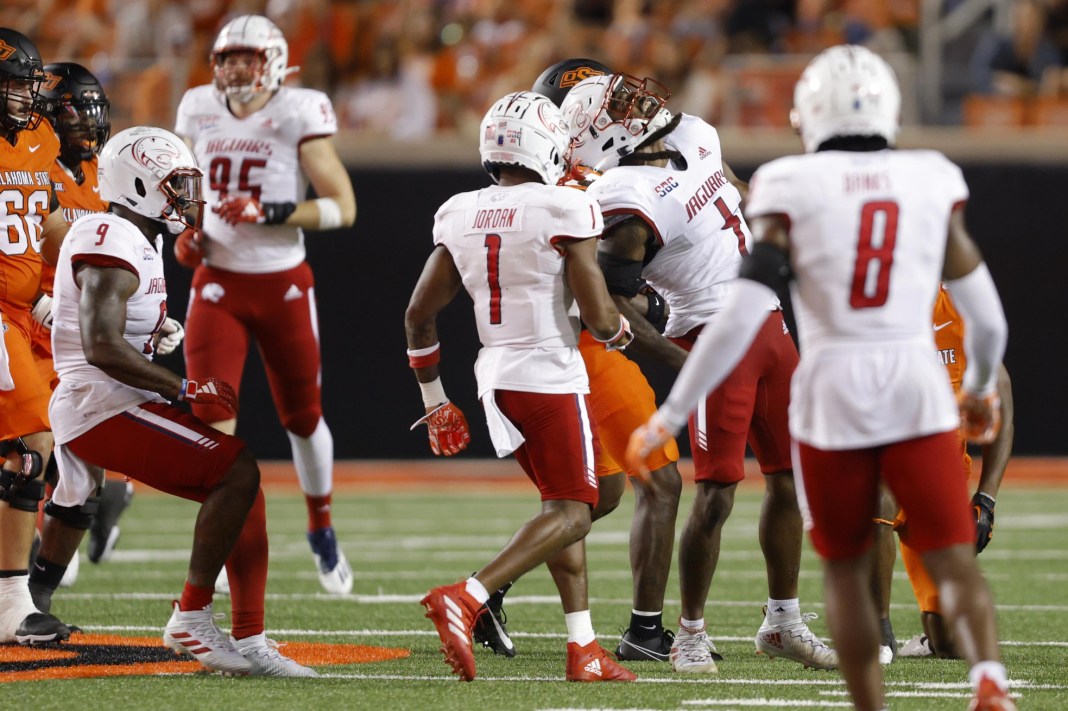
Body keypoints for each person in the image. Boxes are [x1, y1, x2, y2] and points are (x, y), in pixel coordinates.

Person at [627, 45, 1015, 711]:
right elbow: (987, 317)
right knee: (950, 552)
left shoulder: (787, 186)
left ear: (810, 115)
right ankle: (991, 684)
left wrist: (671, 412)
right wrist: (979, 387)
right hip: (915, 386)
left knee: (843, 563)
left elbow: (742, 311)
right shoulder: (931, 176)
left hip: (833, 392)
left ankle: (870, 703)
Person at [560, 72, 835, 673]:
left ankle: (783, 620)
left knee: (790, 475)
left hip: (767, 318)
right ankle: (687, 633)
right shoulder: (621, 195)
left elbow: (736, 192)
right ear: (603, 137)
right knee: (716, 493)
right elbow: (613, 301)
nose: (640, 100)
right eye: (621, 104)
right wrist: (690, 364)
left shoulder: (694, 130)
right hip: (710, 329)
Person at [41, 124, 316, 677]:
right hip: (100, 403)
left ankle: (249, 635)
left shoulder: (135, 237)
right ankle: (193, 617)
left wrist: (155, 326)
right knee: (235, 471)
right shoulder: (112, 237)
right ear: (138, 185)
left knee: (242, 485)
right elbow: (99, 345)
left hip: (112, 399)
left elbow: (107, 324)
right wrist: (183, 385)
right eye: (176, 185)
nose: (189, 198)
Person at [408, 90, 637, 684]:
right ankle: (470, 594)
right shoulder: (566, 206)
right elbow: (598, 314)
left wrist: (435, 400)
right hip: (548, 374)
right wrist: (620, 330)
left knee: (572, 504)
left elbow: (417, 317)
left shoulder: (458, 210)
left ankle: (582, 646)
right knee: (573, 510)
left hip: (496, 378)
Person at [472, 57, 688, 665]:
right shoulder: (577, 187)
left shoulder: (567, 179)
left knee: (605, 493)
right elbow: (599, 286)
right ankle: (644, 631)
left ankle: (490, 590)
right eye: (607, 108)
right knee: (659, 479)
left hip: (557, 346)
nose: (626, 116)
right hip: (584, 345)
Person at [174, 14, 357, 595]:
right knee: (211, 424)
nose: (233, 69)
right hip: (217, 284)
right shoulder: (197, 108)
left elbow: (342, 207)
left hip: (280, 282)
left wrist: (269, 212)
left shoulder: (299, 109)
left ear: (274, 60)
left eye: (246, 57)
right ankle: (224, 539)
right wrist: (187, 233)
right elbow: (183, 197)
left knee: (301, 418)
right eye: (226, 58)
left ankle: (322, 529)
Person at [27, 62, 128, 600]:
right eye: (76, 113)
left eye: (93, 113)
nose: (88, 125)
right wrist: (42, 301)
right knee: (31, 454)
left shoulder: (103, 174)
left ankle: (34, 592)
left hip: (74, 334)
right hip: (28, 322)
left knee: (83, 468)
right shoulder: (32, 164)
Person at [875, 286, 1015, 662]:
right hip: (883, 464)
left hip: (940, 480)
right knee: (876, 500)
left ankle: (929, 636)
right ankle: (878, 631)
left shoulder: (960, 307)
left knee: (950, 644)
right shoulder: (875, 301)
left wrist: (986, 498)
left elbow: (1000, 391)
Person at [0, 26, 75, 646]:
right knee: (32, 447)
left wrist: (69, 285)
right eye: (14, 83)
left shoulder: (39, 138)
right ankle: (10, 605)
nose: (26, 95)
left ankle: (11, 601)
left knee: (27, 457)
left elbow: (44, 221)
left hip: (24, 313)